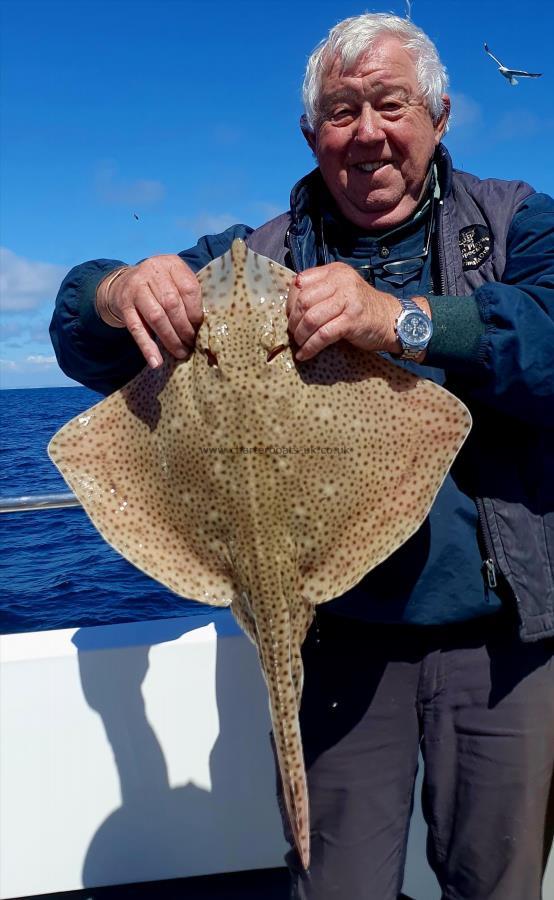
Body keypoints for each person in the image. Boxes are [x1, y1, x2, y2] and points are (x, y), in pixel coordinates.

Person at [50, 13, 554, 900]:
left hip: (500, 641)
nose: (366, 132)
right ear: (310, 134)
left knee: (498, 882)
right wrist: (117, 287)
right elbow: (85, 338)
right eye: (339, 111)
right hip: (340, 643)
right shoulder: (252, 259)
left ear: (439, 116)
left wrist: (401, 322)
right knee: (336, 883)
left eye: (389, 104)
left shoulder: (513, 221)